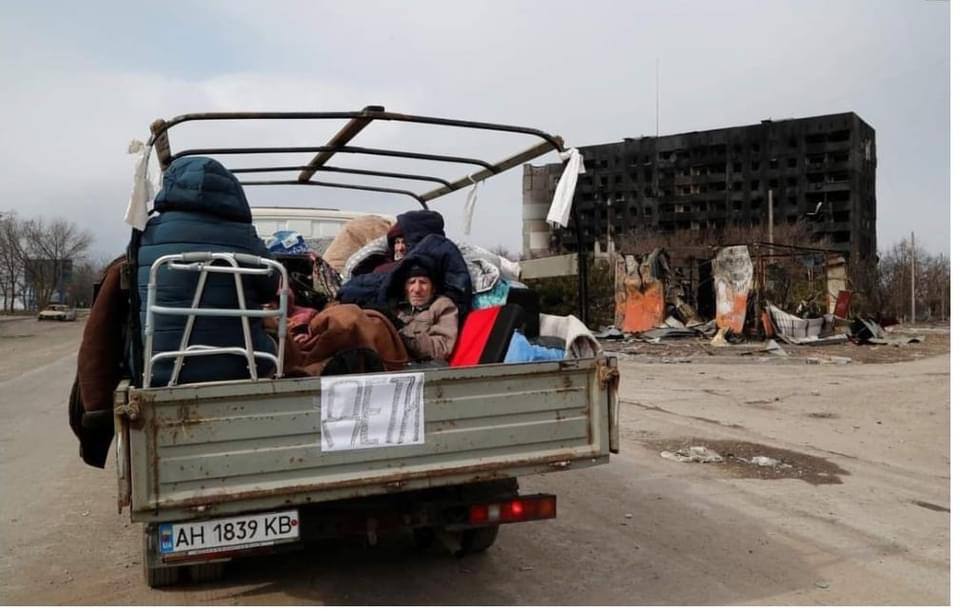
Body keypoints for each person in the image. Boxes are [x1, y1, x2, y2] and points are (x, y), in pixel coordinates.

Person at [394, 262, 458, 363]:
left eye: (423, 282)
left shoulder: (443, 306)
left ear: (433, 288)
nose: (417, 289)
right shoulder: (395, 309)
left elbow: (441, 348)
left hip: (424, 368)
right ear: (405, 288)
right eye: (411, 282)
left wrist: (404, 337)